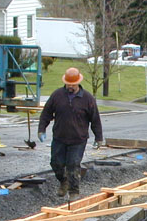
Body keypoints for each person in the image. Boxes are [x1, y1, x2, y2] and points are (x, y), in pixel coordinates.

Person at [38, 67, 104, 199]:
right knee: (56, 163)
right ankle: (64, 182)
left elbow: (95, 119)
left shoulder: (87, 99)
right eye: (68, 84)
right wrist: (41, 129)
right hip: (59, 137)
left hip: (78, 139)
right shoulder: (57, 96)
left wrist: (99, 137)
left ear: (78, 83)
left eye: (73, 85)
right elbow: (46, 114)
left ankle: (74, 191)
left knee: (73, 164)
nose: (70, 87)